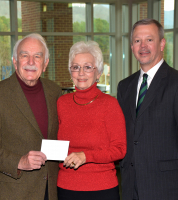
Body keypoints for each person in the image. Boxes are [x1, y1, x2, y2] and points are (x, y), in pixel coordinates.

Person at [117, 19, 178, 200]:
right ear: (132, 46)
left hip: (167, 189)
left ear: (162, 43)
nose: (143, 46)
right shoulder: (124, 86)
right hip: (130, 188)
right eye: (137, 40)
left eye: (149, 39)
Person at [0, 33, 62, 200]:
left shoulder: (55, 91)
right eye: (24, 55)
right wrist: (19, 161)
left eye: (37, 56)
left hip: (51, 190)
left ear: (45, 64)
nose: (31, 62)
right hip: (12, 193)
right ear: (15, 61)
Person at [56, 41, 127, 200]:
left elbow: (120, 149)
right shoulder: (61, 103)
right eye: (76, 67)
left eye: (87, 67)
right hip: (66, 187)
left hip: (102, 189)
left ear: (98, 73)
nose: (81, 73)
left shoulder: (110, 104)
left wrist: (86, 156)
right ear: (70, 72)